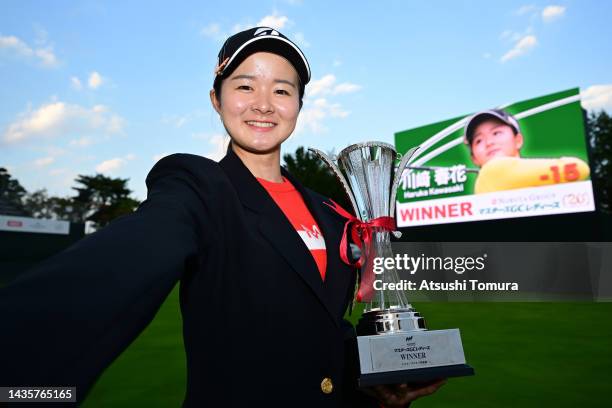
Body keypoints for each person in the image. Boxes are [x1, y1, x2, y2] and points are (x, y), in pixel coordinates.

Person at [0, 27, 444, 407]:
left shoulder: (330, 214)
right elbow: (121, 263)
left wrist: (377, 388)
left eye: (282, 90)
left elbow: (324, 331)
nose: (264, 104)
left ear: (299, 106)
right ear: (216, 98)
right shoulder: (198, 187)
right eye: (245, 86)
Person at [464, 109, 590, 194]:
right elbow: (578, 168)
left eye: (496, 133)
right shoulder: (491, 172)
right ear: (474, 158)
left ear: (518, 140)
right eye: (478, 141)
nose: (489, 142)